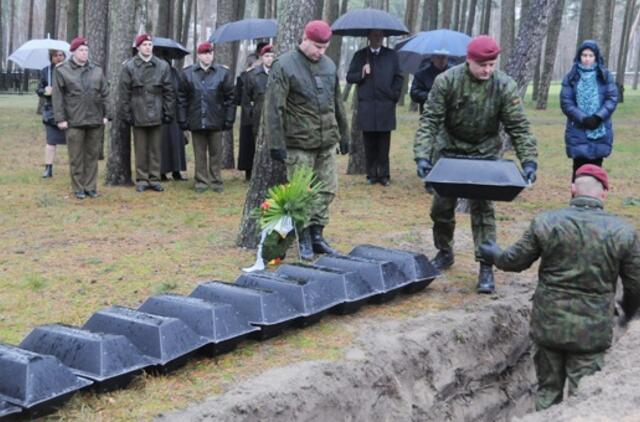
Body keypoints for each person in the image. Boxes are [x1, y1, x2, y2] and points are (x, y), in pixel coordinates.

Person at [479, 164, 640, 411]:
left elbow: (514, 261)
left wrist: (494, 254)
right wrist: (627, 314)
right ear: (604, 194)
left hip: (548, 324)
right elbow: (635, 284)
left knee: (547, 393)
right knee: (584, 399)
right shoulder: (623, 232)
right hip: (592, 331)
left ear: (573, 189)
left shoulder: (546, 222)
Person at [413, 35, 538, 294]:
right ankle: (444, 251)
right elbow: (430, 120)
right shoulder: (447, 81)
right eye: (482, 65)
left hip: (485, 154)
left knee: (483, 211)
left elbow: (519, 127)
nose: (487, 70)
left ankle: (485, 266)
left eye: (492, 64)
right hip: (449, 152)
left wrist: (529, 161)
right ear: (468, 60)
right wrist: (423, 156)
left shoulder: (504, 85)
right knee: (441, 209)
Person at [265, 20, 350, 260]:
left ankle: (317, 235)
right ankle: (302, 238)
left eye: (324, 48)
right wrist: (276, 143)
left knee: (328, 189)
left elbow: (337, 103)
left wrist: (344, 134)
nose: (320, 52)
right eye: (316, 47)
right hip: (298, 143)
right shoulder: (284, 65)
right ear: (304, 38)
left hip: (326, 140)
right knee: (300, 195)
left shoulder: (329, 66)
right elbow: (274, 108)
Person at [52, 37, 109, 199]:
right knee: (76, 156)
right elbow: (57, 97)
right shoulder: (62, 70)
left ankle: (90, 187)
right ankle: (78, 187)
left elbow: (105, 93)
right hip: (74, 120)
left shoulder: (96, 70)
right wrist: (60, 119)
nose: (84, 53)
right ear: (73, 52)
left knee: (92, 155)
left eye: (86, 50)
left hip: (95, 119)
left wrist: (107, 114)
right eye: (81, 50)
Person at [119, 33, 175, 193]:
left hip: (157, 110)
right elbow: (124, 93)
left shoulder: (162, 65)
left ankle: (154, 178)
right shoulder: (129, 66)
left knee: (156, 149)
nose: (148, 47)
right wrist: (127, 113)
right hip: (138, 111)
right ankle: (142, 179)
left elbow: (169, 91)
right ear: (138, 48)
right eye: (144, 45)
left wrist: (168, 111)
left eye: (150, 45)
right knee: (141, 148)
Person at [346, 29, 403, 186]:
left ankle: (384, 175)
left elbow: (399, 77)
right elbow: (350, 77)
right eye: (374, 35)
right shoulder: (360, 55)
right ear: (369, 37)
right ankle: (371, 174)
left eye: (380, 36)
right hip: (367, 106)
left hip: (386, 105)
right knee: (369, 143)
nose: (377, 38)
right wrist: (362, 73)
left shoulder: (391, 55)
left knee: (384, 144)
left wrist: (394, 95)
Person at [178, 42, 235, 193]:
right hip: (196, 118)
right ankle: (201, 182)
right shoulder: (188, 73)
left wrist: (229, 118)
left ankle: (216, 181)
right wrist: (183, 119)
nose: (208, 56)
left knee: (216, 153)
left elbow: (230, 98)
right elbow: (182, 98)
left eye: (210, 53)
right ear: (198, 55)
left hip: (216, 119)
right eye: (204, 53)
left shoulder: (223, 73)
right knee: (199, 152)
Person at [560, 40, 618, 180]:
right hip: (578, 130)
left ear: (596, 57)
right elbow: (566, 102)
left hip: (600, 129)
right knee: (578, 171)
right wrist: (583, 118)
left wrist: (598, 117)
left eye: (591, 55)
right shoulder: (572, 77)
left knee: (596, 172)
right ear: (579, 56)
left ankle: (595, 200)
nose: (587, 59)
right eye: (584, 55)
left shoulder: (604, 76)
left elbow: (612, 98)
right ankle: (576, 201)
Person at [240, 44, 275, 181]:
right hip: (257, 117)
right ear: (261, 57)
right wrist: (249, 116)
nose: (270, 59)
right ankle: (256, 174)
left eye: (272, 56)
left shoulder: (278, 73)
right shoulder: (252, 75)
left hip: (274, 117)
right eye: (267, 56)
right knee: (257, 147)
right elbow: (246, 99)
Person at [157, 52, 187, 182]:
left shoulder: (175, 73)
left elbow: (180, 90)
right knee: (162, 144)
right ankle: (161, 172)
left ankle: (176, 171)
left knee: (176, 143)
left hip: (174, 113)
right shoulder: (155, 73)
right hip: (160, 112)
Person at [37, 49, 66, 178]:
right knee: (51, 141)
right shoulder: (46, 71)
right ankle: (48, 168)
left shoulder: (69, 70)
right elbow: (39, 89)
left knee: (74, 140)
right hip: (50, 111)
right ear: (51, 57)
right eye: (55, 56)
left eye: (61, 55)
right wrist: (45, 91)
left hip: (68, 111)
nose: (59, 58)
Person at [236, 53, 260, 181]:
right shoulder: (243, 77)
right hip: (248, 116)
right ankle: (248, 171)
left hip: (258, 113)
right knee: (248, 145)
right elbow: (238, 97)